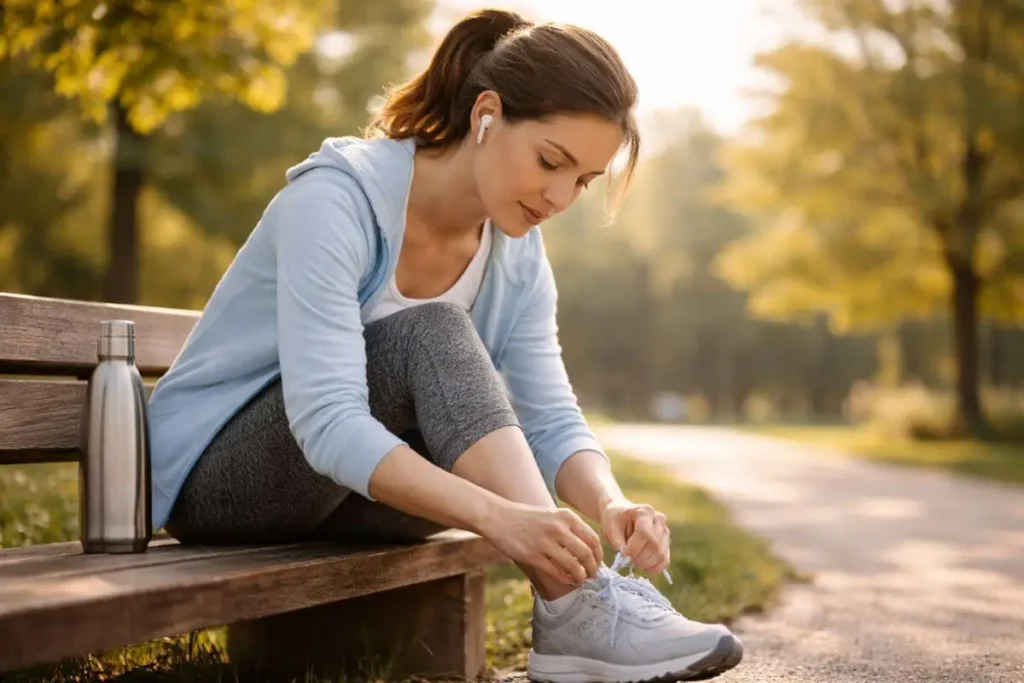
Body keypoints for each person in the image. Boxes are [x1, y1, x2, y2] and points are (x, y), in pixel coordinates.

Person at [147, 8, 743, 682]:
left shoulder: (517, 258)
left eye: (582, 181)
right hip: (223, 483)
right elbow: (327, 422)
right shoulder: (336, 200)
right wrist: (505, 516)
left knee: (450, 353)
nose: (558, 196)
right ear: (486, 115)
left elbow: (549, 416)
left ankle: (579, 607)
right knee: (434, 331)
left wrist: (610, 502)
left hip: (353, 501)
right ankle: (577, 606)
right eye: (551, 161)